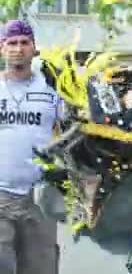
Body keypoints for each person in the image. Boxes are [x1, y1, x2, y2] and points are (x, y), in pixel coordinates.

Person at [0, 20, 61, 274]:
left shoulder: (52, 90)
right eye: (12, 43)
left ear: (34, 48)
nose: (18, 48)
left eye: (24, 42)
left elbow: (73, 132)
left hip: (39, 199)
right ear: (2, 48)